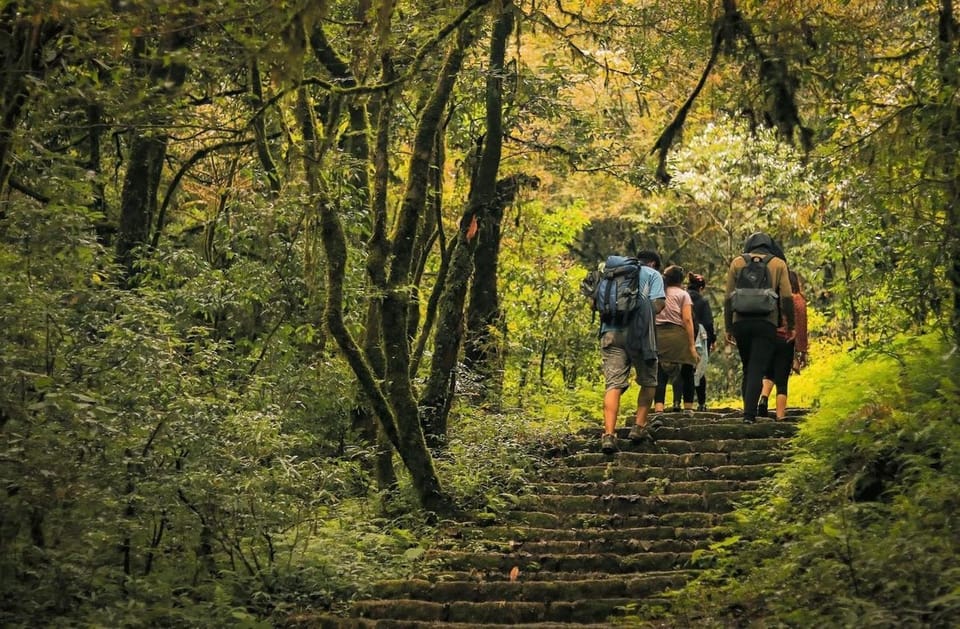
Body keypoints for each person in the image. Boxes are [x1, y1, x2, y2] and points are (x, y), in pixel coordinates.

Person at [597, 250, 666, 453]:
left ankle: (609, 434)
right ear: (653, 263)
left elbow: (596, 302)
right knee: (649, 380)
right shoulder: (653, 275)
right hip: (641, 335)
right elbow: (659, 305)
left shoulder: (612, 273)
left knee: (613, 384)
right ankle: (639, 426)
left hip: (610, 332)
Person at [723, 232, 794, 423]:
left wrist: (728, 326)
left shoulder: (737, 263)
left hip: (741, 321)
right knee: (757, 366)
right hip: (767, 322)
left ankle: (748, 411)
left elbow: (728, 297)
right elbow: (787, 297)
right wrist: (791, 325)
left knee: (747, 367)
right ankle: (749, 415)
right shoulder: (778, 264)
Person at [758, 270, 808, 420]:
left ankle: (763, 397)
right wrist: (801, 351)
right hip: (786, 341)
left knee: (769, 372)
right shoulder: (798, 300)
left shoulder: (775, 297)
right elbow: (801, 326)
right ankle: (780, 417)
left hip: (770, 337)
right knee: (782, 380)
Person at [653, 265, 699, 414]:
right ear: (681, 279)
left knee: (660, 374)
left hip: (658, 334)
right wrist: (692, 345)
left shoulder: (658, 293)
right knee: (687, 369)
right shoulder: (683, 294)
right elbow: (687, 319)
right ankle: (688, 407)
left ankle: (659, 408)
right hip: (678, 335)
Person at [686, 272, 716, 411]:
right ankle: (702, 404)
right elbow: (709, 323)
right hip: (701, 338)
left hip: (682, 336)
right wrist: (712, 339)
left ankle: (681, 403)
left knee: (685, 370)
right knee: (700, 370)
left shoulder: (682, 298)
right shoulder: (703, 302)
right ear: (701, 288)